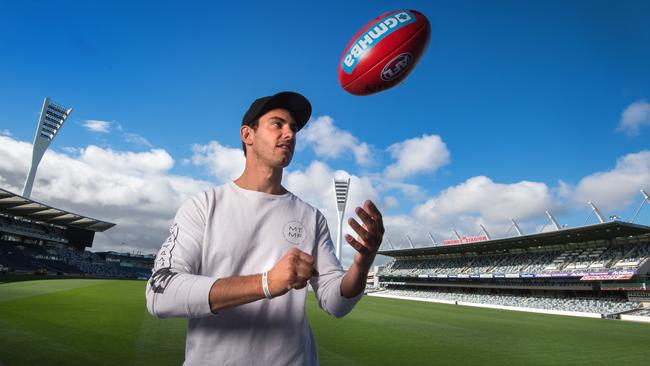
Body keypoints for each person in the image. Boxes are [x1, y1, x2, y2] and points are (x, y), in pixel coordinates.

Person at [145, 91, 384, 365]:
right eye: (277, 124)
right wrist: (266, 282)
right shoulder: (203, 206)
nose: (290, 134)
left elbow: (335, 303)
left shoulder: (311, 216)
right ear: (248, 135)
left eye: (293, 128)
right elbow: (159, 293)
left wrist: (362, 263)